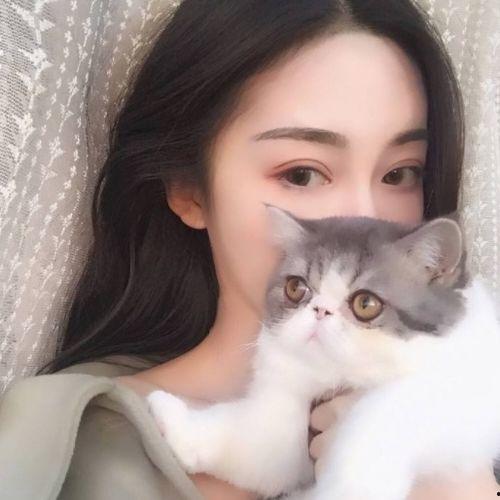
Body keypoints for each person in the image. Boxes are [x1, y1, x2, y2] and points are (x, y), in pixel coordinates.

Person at [1, 0, 498, 499]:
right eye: (302, 174)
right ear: (189, 190)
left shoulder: (472, 420)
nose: (362, 216)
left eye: (400, 173)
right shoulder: (70, 443)